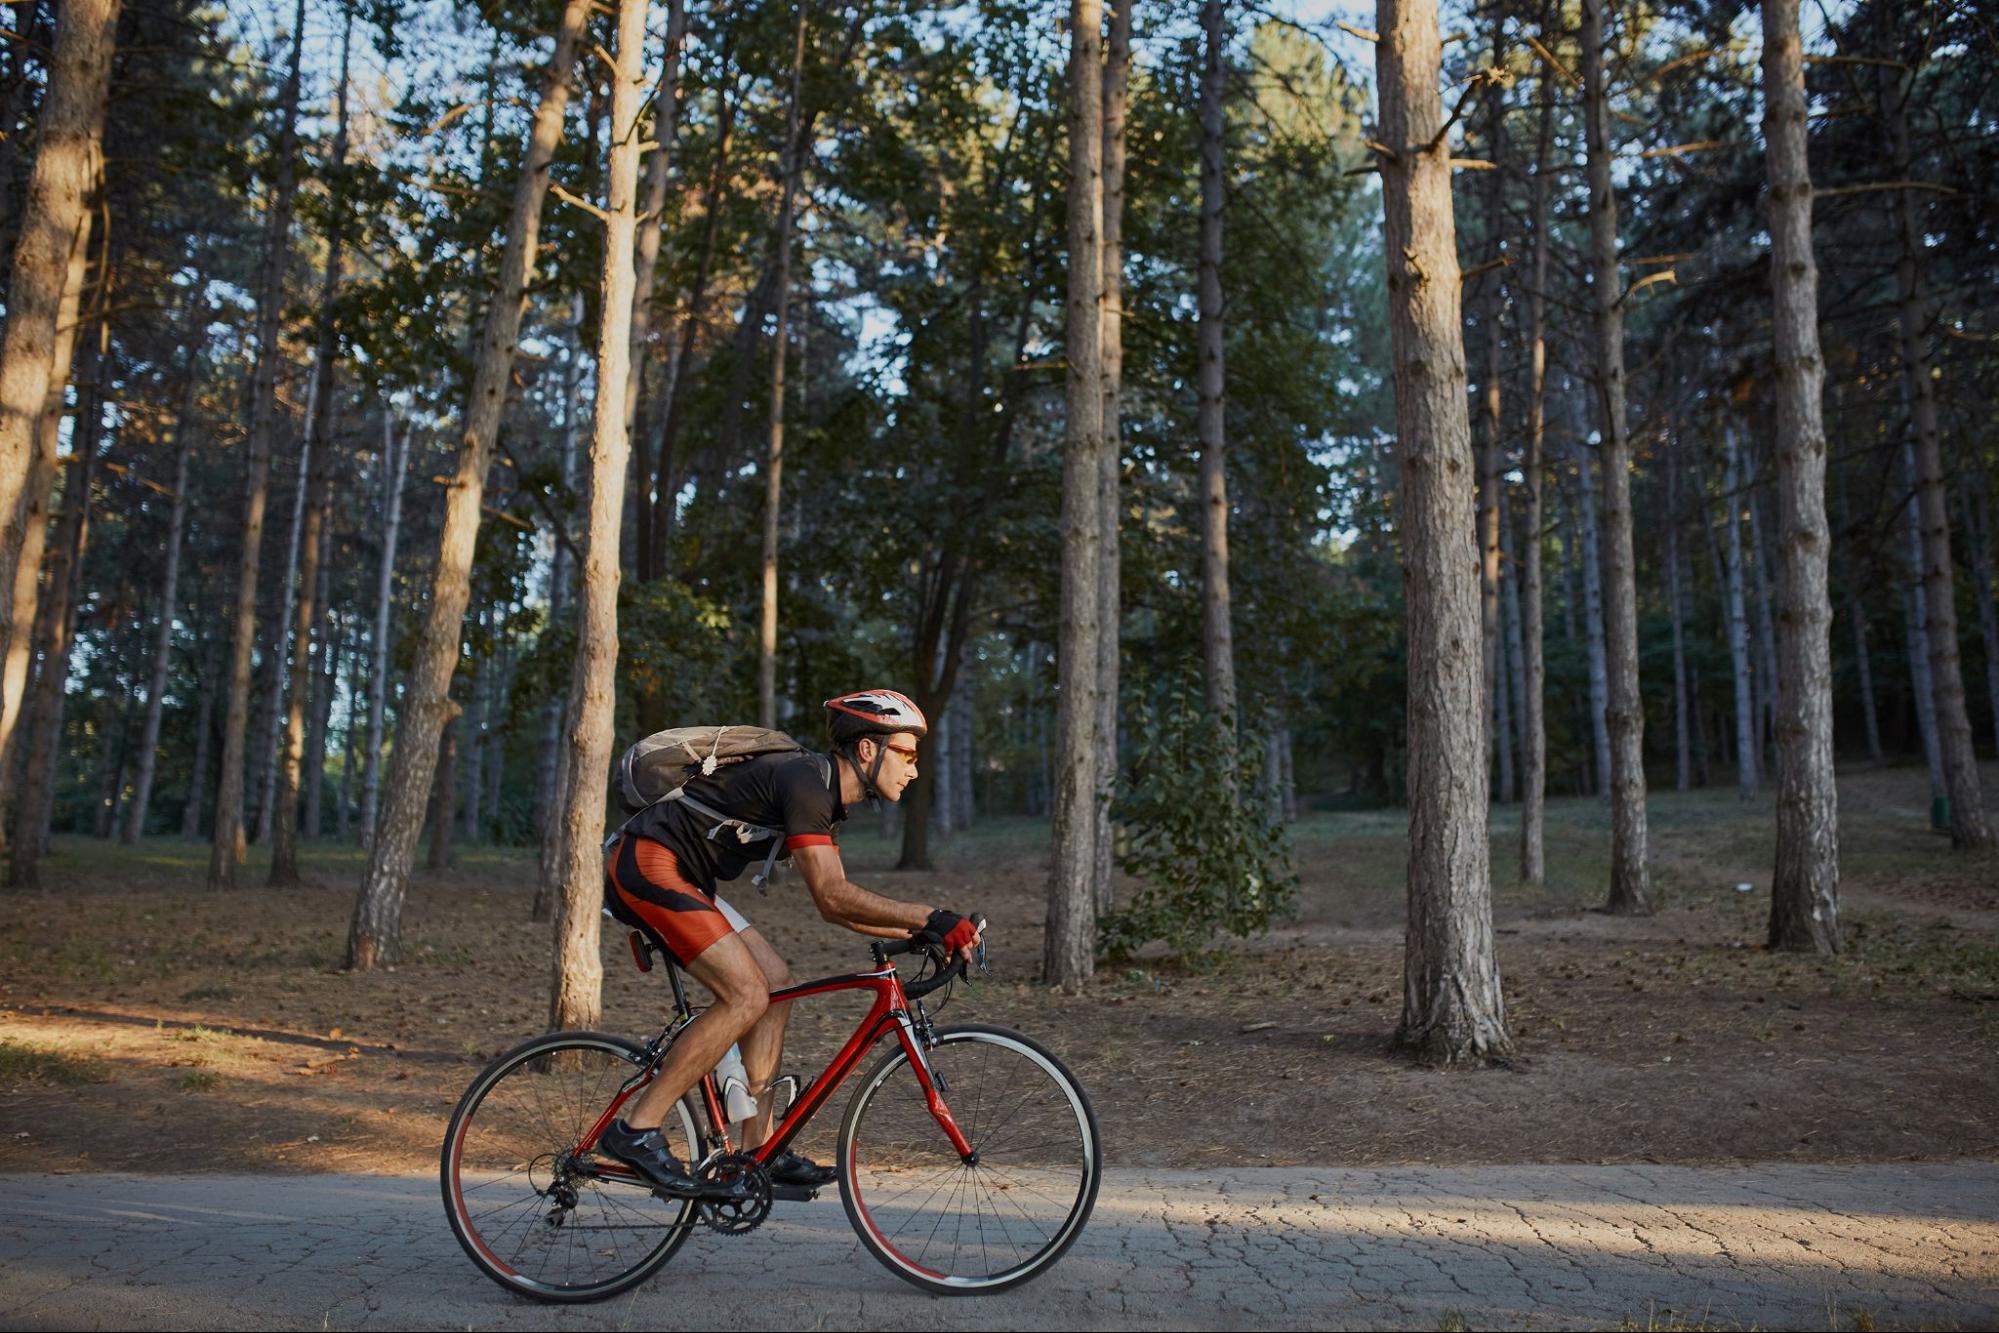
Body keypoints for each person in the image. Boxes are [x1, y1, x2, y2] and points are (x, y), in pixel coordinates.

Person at [598, 689, 984, 1199]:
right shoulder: (807, 783)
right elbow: (833, 896)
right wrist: (933, 918)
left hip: (684, 877)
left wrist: (923, 933)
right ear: (869, 750)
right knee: (746, 994)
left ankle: (757, 1151)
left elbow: (838, 907)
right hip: (647, 865)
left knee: (776, 985)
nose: (914, 769)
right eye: (908, 754)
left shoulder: (822, 793)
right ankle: (636, 1130)